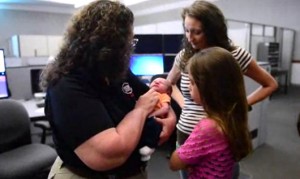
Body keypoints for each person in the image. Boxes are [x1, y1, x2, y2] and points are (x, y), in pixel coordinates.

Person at [40, 1, 176, 178]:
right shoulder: (66, 84)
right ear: (109, 44)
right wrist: (140, 110)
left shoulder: (113, 68)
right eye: (128, 42)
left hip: (131, 170)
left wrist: (170, 117)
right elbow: (108, 154)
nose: (130, 48)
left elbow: (152, 96)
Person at [166, 1, 278, 178]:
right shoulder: (184, 56)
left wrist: (240, 106)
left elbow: (270, 84)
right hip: (187, 132)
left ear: (212, 30)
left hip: (221, 134)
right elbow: (170, 83)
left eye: (196, 31)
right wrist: (184, 104)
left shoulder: (233, 55)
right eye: (187, 30)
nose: (190, 37)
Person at [169, 47, 253, 178]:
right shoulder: (230, 117)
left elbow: (174, 163)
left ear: (208, 87)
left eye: (192, 82)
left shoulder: (208, 128)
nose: (187, 86)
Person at [139, 77, 173, 161]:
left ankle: (150, 147)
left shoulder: (163, 95)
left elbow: (165, 108)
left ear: (168, 91)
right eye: (154, 81)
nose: (157, 82)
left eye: (161, 83)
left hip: (156, 118)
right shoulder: (147, 93)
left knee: (152, 127)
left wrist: (152, 115)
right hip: (145, 116)